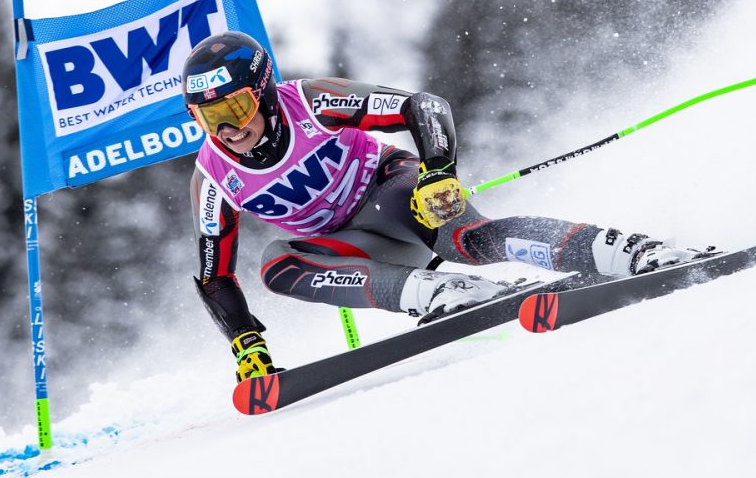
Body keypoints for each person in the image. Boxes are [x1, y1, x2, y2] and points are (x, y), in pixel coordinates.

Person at [184, 31, 703, 382]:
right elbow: (213, 273)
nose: (228, 131)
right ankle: (439, 292)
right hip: (350, 246)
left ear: (265, 93)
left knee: (469, 241)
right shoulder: (213, 176)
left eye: (235, 109)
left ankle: (627, 252)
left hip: (393, 193)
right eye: (209, 119)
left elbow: (423, 106)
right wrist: (244, 341)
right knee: (277, 263)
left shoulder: (312, 103)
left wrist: (437, 171)